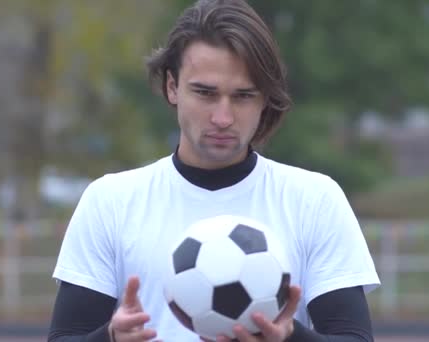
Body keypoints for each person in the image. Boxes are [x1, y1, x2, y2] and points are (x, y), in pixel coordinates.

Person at [48, 0, 380, 341]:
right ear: (172, 86)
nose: (223, 118)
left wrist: (291, 338)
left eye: (243, 96)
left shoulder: (315, 200)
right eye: (205, 93)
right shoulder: (110, 202)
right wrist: (110, 338)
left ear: (265, 98)